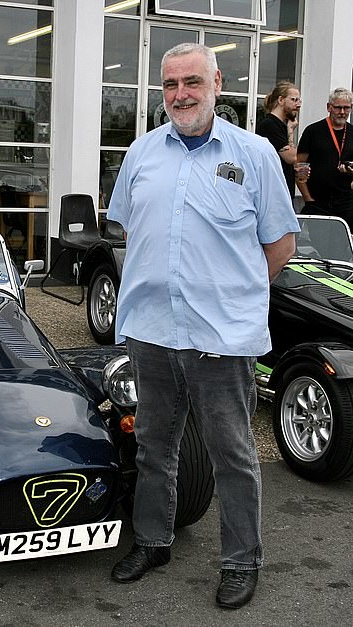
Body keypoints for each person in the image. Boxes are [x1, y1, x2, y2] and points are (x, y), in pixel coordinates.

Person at [106, 43, 299, 610]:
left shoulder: (255, 154)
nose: (181, 94)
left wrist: (234, 297)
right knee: (153, 446)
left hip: (222, 338)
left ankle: (242, 562)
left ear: (217, 81)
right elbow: (126, 229)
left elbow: (281, 243)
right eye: (170, 85)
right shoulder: (141, 153)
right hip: (153, 330)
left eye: (192, 81)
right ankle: (153, 541)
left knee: (233, 456)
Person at [296, 88, 353, 227]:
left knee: (344, 246)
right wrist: (308, 199)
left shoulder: (352, 132)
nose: (342, 112)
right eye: (338, 107)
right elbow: (299, 167)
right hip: (318, 202)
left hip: (347, 203)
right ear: (329, 107)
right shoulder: (313, 131)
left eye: (346, 108)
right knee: (320, 245)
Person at [256, 81, 302, 199]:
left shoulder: (280, 125)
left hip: (283, 193)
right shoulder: (270, 125)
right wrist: (291, 131)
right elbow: (291, 157)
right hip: (273, 195)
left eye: (299, 100)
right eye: (294, 100)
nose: (298, 104)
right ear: (281, 100)